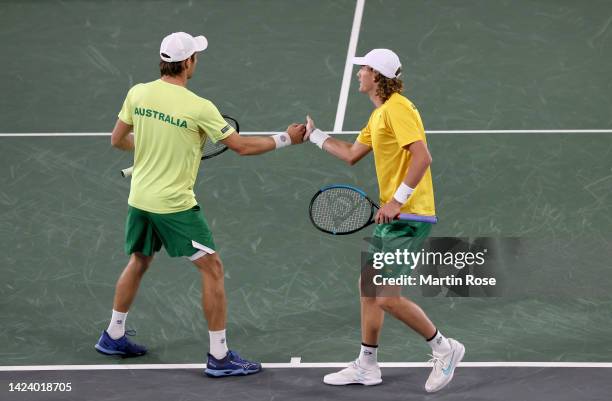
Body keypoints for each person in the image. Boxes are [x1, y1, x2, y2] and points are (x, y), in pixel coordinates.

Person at [95, 32, 306, 377]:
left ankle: (113, 334)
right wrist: (287, 138)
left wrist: (151, 147)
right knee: (213, 269)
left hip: (140, 199)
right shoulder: (199, 107)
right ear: (189, 62)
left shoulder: (138, 93)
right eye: (196, 57)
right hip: (174, 206)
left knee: (140, 258)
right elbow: (241, 147)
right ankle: (219, 356)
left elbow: (118, 140)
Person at [305, 49, 464, 392]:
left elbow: (423, 157)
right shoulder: (379, 116)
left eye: (363, 69)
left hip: (409, 215)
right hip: (394, 217)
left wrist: (396, 200)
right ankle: (367, 364)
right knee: (368, 287)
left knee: (386, 296)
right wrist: (313, 136)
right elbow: (350, 154)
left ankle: (444, 348)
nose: (359, 73)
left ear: (376, 76)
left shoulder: (398, 109)